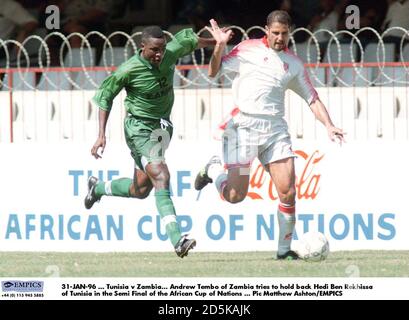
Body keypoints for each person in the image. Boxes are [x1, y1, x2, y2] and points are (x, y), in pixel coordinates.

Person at [194, 12, 345, 260]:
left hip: (275, 131)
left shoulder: (293, 64)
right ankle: (212, 170)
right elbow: (213, 71)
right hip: (243, 129)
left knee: (288, 191)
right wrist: (220, 45)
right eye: (275, 33)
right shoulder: (247, 49)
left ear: (290, 32)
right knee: (235, 196)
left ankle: (284, 251)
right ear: (266, 30)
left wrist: (329, 125)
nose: (280, 37)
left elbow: (312, 98)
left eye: (284, 33)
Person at [85, 26, 222, 258]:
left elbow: (191, 41)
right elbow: (105, 97)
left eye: (162, 49)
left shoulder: (170, 51)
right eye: (154, 50)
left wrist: (215, 42)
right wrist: (101, 134)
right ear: (142, 47)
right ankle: (178, 240)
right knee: (161, 175)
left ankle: (97, 189)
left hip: (161, 128)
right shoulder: (128, 70)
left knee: (140, 190)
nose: (159, 55)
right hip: (138, 128)